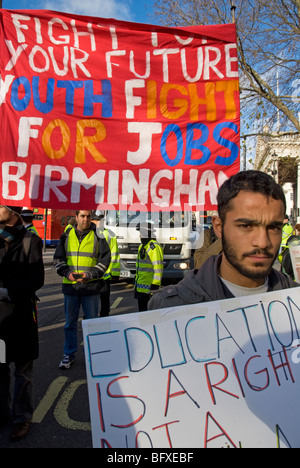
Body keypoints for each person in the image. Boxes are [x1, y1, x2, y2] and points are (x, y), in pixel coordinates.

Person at [149, 170, 298, 310]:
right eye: (246, 226)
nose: (263, 242)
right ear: (219, 227)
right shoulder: (168, 307)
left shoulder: (295, 298)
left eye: (273, 228)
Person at [0, 205, 44, 441]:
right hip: (0, 321)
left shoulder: (30, 240)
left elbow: (36, 280)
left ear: (13, 212)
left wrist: (8, 292)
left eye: (1, 206)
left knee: (23, 371)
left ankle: (22, 418)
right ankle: (3, 414)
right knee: (0, 367)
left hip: (22, 317)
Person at [54, 210, 111, 369]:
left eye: (88, 216)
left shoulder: (99, 236)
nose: (86, 219)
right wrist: (67, 273)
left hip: (91, 287)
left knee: (92, 323)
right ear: (76, 217)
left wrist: (91, 274)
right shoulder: (66, 236)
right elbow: (58, 259)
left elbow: (105, 259)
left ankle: (94, 355)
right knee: (69, 324)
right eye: (82, 216)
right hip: (71, 287)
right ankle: (68, 354)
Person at [135, 223, 164, 311]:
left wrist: (155, 284)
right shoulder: (142, 246)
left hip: (149, 289)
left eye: (141, 232)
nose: (139, 234)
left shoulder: (153, 247)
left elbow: (158, 267)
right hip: (141, 287)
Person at [95, 215, 120, 317]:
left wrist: (115, 273)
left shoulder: (109, 234)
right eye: (96, 220)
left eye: (99, 220)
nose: (98, 222)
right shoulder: (90, 233)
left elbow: (115, 254)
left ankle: (103, 317)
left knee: (104, 299)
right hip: (93, 275)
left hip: (104, 274)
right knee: (94, 299)